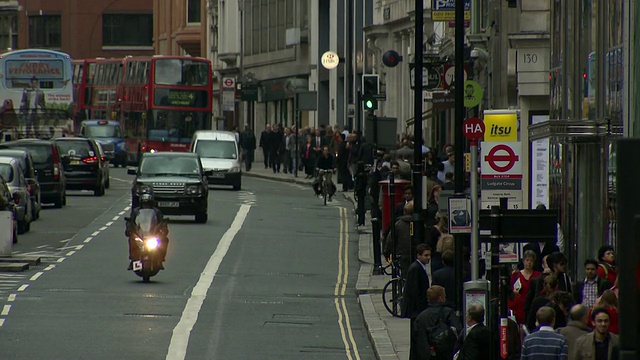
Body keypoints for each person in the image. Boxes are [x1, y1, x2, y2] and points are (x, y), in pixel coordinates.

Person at [413, 285, 460, 360]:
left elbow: (417, 341)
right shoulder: (448, 313)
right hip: (445, 354)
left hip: (427, 355)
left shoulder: (421, 317)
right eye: (444, 295)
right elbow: (457, 331)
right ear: (440, 298)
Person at [125, 191, 169, 270]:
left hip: (152, 233)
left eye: (148, 204)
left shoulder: (157, 212)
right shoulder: (136, 211)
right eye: (144, 204)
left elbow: (162, 222)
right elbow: (131, 222)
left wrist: (164, 230)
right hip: (140, 233)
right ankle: (133, 259)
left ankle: (160, 258)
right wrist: (129, 229)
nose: (146, 206)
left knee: (164, 240)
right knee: (132, 239)